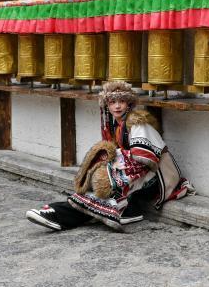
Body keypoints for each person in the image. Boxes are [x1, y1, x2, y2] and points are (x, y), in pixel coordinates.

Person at [26, 81, 194, 231]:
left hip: (157, 179)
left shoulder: (138, 123)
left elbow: (145, 158)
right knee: (99, 195)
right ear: (107, 105)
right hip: (138, 178)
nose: (117, 106)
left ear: (129, 104)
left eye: (122, 101)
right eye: (112, 102)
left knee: (107, 190)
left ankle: (58, 214)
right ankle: (61, 213)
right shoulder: (116, 126)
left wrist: (113, 166)